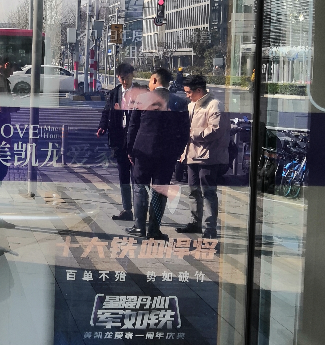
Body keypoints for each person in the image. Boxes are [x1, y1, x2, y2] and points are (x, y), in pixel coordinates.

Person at [125, 65, 189, 240]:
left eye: (150, 80)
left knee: (140, 186)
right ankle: (154, 230)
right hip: (167, 154)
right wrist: (177, 151)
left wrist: (130, 149)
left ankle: (139, 227)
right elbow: (185, 132)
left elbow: (133, 126)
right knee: (160, 189)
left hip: (143, 150)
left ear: (154, 80)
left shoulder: (142, 98)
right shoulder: (179, 102)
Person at [176, 72, 231, 239]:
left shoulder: (215, 105)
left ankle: (210, 227)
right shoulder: (192, 105)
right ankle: (195, 222)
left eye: (189, 92)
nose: (187, 95)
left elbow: (216, 130)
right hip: (192, 154)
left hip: (208, 156)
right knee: (193, 190)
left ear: (199, 90)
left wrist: (193, 133)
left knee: (208, 192)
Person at [96, 62, 137, 220]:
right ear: (118, 77)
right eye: (122, 78)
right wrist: (102, 127)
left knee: (137, 177)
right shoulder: (114, 93)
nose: (124, 81)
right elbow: (106, 112)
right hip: (119, 138)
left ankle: (140, 210)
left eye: (127, 78)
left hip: (136, 140)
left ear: (132, 75)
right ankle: (127, 209)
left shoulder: (141, 93)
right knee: (123, 175)